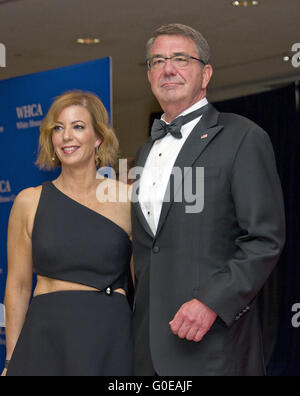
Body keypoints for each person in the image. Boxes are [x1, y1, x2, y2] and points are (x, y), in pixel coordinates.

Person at [131, 23, 286, 376]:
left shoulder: (243, 137)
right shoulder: (144, 152)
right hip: (147, 352)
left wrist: (211, 302)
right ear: (150, 75)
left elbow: (265, 239)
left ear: (206, 74)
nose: (168, 68)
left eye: (180, 59)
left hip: (214, 345)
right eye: (157, 61)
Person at [2, 91, 133, 376]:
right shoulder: (29, 201)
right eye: (58, 128)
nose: (66, 136)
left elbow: (145, 284)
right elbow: (19, 286)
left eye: (78, 126)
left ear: (98, 137)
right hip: (46, 340)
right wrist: (11, 360)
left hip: (110, 338)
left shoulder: (128, 200)